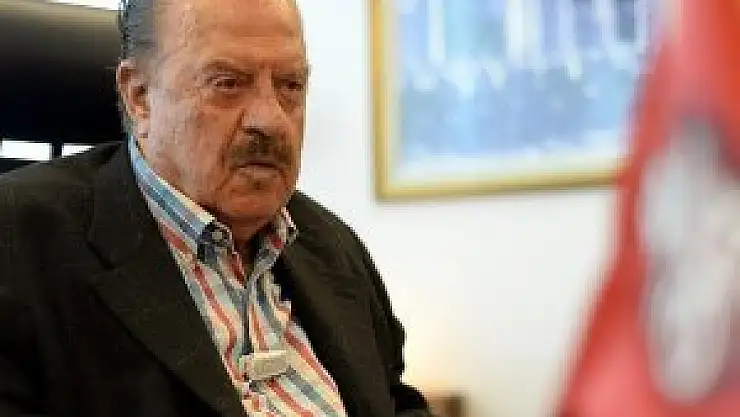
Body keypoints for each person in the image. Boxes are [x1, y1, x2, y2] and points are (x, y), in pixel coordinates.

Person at [0, 0, 433, 416]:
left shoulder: (328, 243)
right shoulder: (19, 245)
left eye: (290, 86)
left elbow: (396, 404)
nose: (271, 120)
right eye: (228, 84)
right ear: (139, 96)